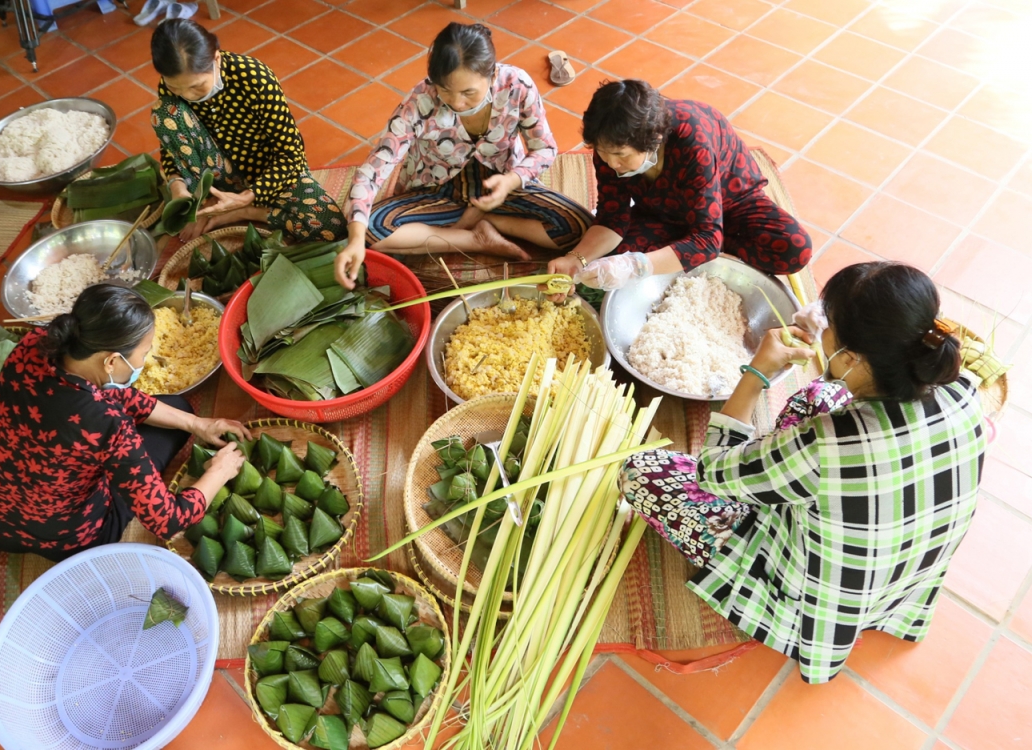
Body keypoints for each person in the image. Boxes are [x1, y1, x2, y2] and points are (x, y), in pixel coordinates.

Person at [618, 262, 985, 684]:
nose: (818, 325)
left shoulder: (825, 445)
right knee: (819, 394)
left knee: (641, 471)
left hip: (812, 599)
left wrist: (755, 376)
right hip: (898, 581)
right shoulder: (962, 390)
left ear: (850, 357)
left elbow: (710, 473)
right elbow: (844, 402)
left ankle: (767, 584)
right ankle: (777, 477)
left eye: (827, 321)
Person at [0, 284, 246, 562]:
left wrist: (196, 424)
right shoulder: (110, 426)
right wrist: (220, 469)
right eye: (143, 354)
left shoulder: (33, 345)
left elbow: (109, 396)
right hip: (73, 540)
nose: (144, 361)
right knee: (172, 409)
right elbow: (169, 521)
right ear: (113, 360)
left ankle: (6, 495)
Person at [333, 22, 593, 290]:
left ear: (492, 76)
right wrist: (354, 240)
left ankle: (488, 220)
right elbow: (371, 172)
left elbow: (545, 149)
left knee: (580, 228)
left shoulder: (517, 86)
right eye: (445, 90)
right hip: (438, 191)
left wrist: (512, 181)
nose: (456, 103)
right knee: (371, 228)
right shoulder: (420, 101)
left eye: (468, 92)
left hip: (501, 189)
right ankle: (474, 238)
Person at [548, 79, 812, 293]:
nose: (611, 163)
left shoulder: (693, 138)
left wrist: (637, 265)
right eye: (603, 153)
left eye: (622, 156)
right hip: (664, 215)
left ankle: (696, 250)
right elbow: (612, 218)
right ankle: (691, 251)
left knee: (794, 247)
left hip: (731, 204)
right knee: (606, 261)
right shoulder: (609, 148)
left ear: (655, 139)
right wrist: (576, 259)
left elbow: (708, 238)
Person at [149, 19, 347, 244]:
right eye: (175, 87)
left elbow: (291, 155)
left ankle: (241, 213)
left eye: (196, 86)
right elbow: (173, 145)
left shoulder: (254, 77)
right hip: (214, 173)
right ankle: (208, 201)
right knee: (165, 113)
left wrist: (246, 200)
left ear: (216, 58)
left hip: (271, 173)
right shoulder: (169, 86)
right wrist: (178, 187)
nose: (187, 95)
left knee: (330, 226)